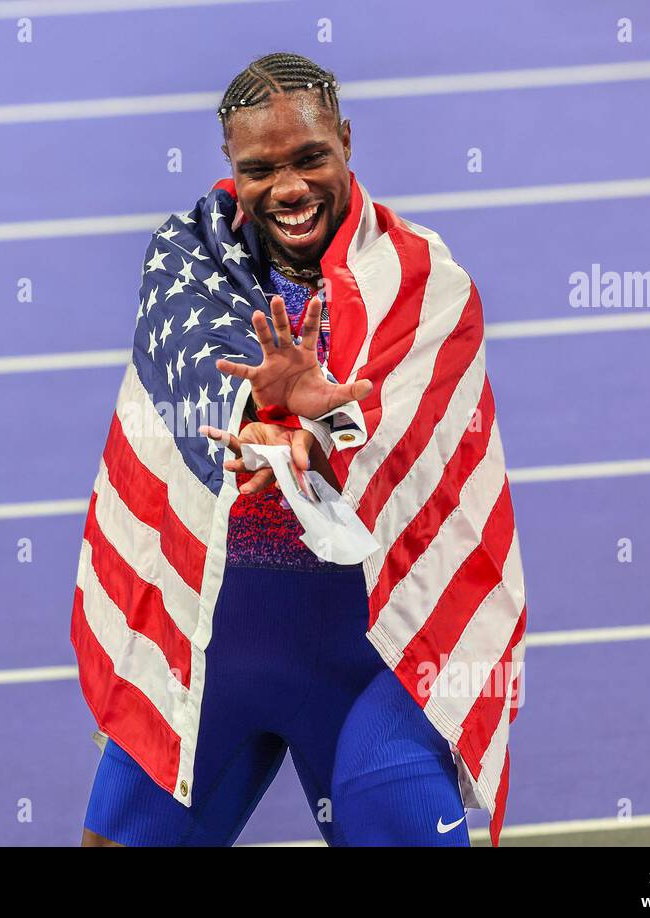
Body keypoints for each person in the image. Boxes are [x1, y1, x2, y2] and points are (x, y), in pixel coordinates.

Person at [75, 52, 526, 847]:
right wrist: (258, 411)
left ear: (347, 142)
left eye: (311, 157)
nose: (289, 188)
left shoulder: (424, 281)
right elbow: (191, 382)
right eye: (261, 168)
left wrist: (315, 430)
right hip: (213, 644)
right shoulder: (187, 262)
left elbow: (392, 438)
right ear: (230, 168)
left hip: (376, 657)